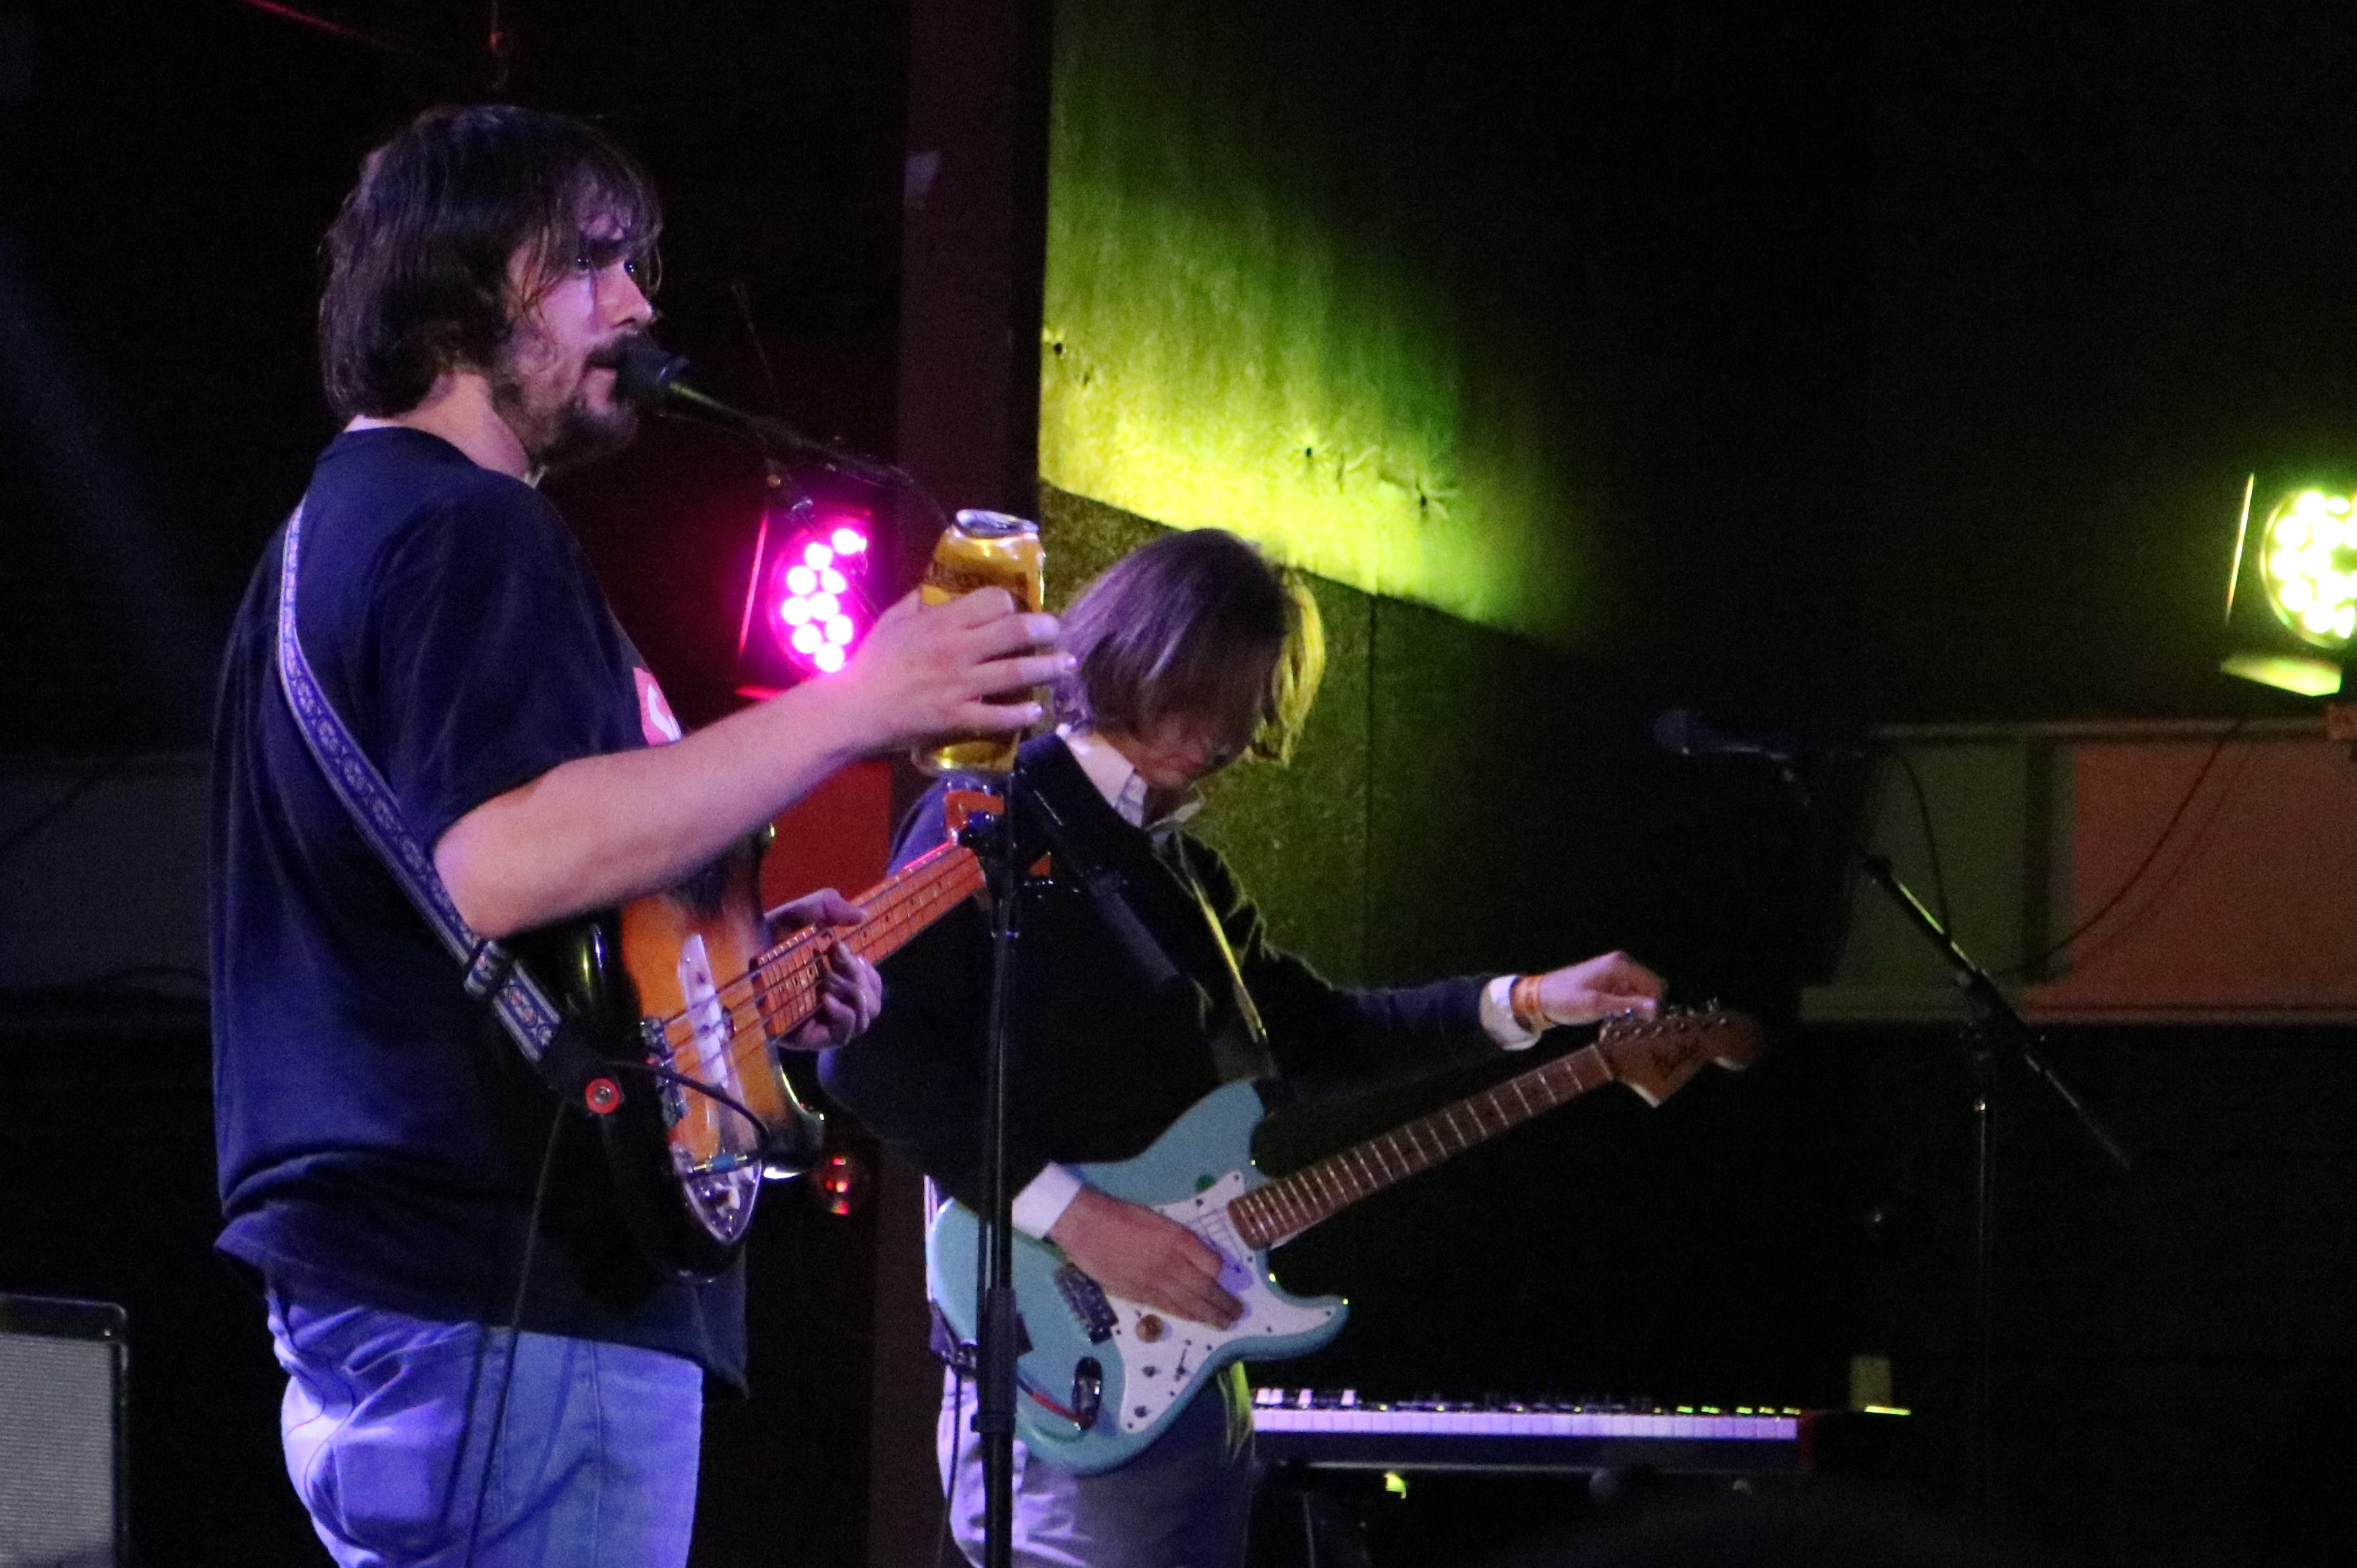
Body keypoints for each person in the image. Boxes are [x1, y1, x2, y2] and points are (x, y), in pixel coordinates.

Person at [208, 103, 1065, 1568]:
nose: (639, 304)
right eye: (594, 262)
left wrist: (720, 973)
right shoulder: (468, 530)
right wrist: (856, 701)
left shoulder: (326, 538)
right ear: (469, 286)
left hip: (410, 1290)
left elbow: (489, 889)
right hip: (513, 1287)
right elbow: (500, 857)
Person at [820, 527, 1668, 1568]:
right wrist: (1083, 1221)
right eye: (1218, 691)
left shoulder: (1191, 880)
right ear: (1148, 653)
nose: (1235, 728)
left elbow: (1318, 1036)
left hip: (1190, 1367)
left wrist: (1531, 1000)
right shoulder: (989, 815)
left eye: (1254, 698)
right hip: (1066, 1361)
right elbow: (865, 1053)